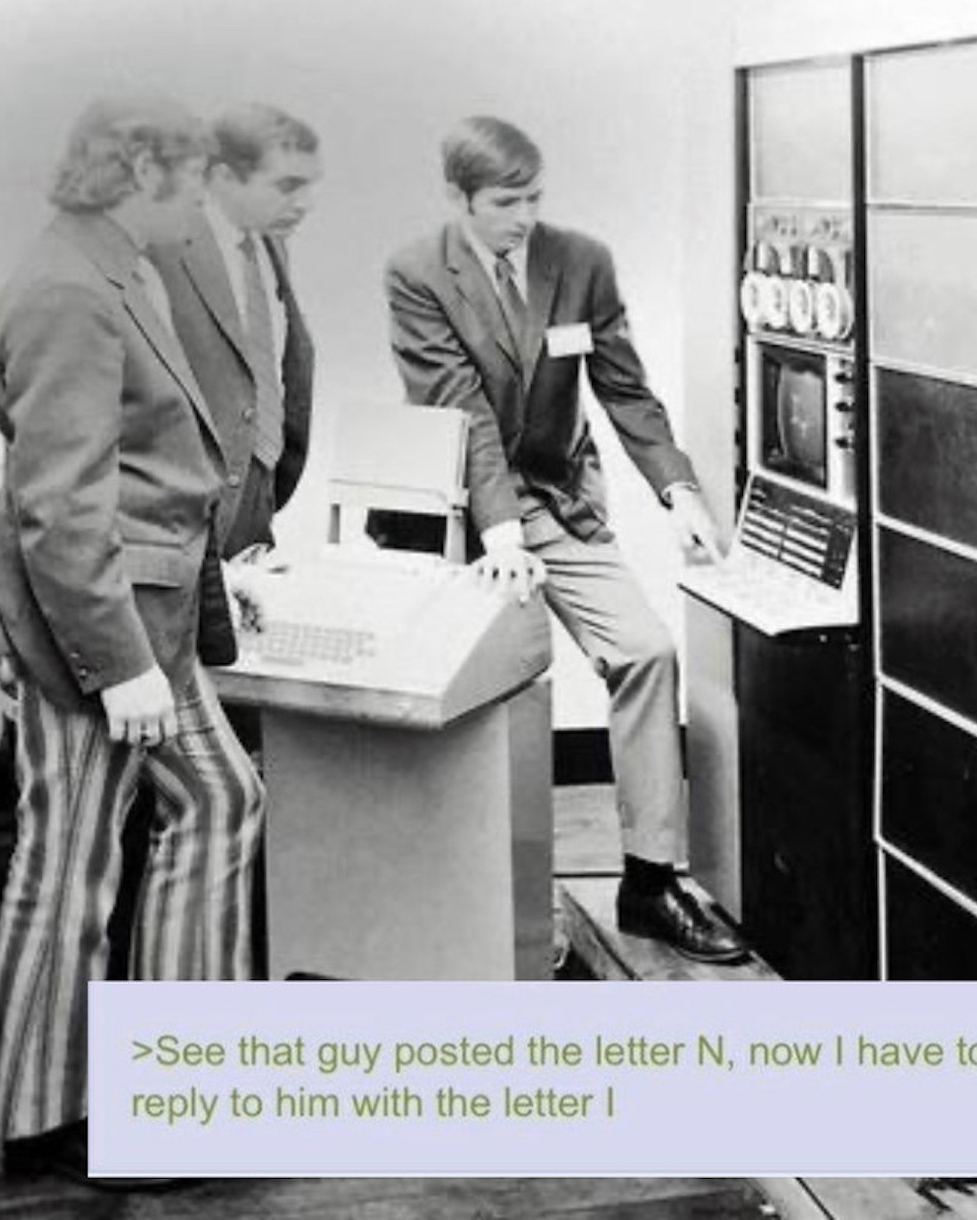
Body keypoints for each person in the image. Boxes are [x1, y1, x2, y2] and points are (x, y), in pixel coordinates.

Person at [0, 95, 265, 1189]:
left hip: (143, 617)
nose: (203, 199)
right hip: (96, 634)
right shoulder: (68, 291)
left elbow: (141, 473)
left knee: (220, 799)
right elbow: (60, 504)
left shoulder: (114, 269)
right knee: (71, 858)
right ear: (139, 171)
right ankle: (46, 1115)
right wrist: (121, 665)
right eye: (192, 176)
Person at [385, 115, 747, 964]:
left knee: (646, 651)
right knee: (472, 698)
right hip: (461, 506)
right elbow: (461, 412)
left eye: (534, 199)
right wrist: (501, 532)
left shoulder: (581, 261)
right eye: (504, 203)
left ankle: (650, 883)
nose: (524, 218)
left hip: (558, 500)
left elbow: (626, 390)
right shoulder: (416, 273)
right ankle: (448, 907)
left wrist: (678, 490)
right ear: (458, 197)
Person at [149, 103, 320, 560]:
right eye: (287, 186)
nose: (306, 203)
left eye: (309, 186)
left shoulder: (271, 245)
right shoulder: (162, 245)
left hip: (257, 502)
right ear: (222, 177)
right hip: (184, 521)